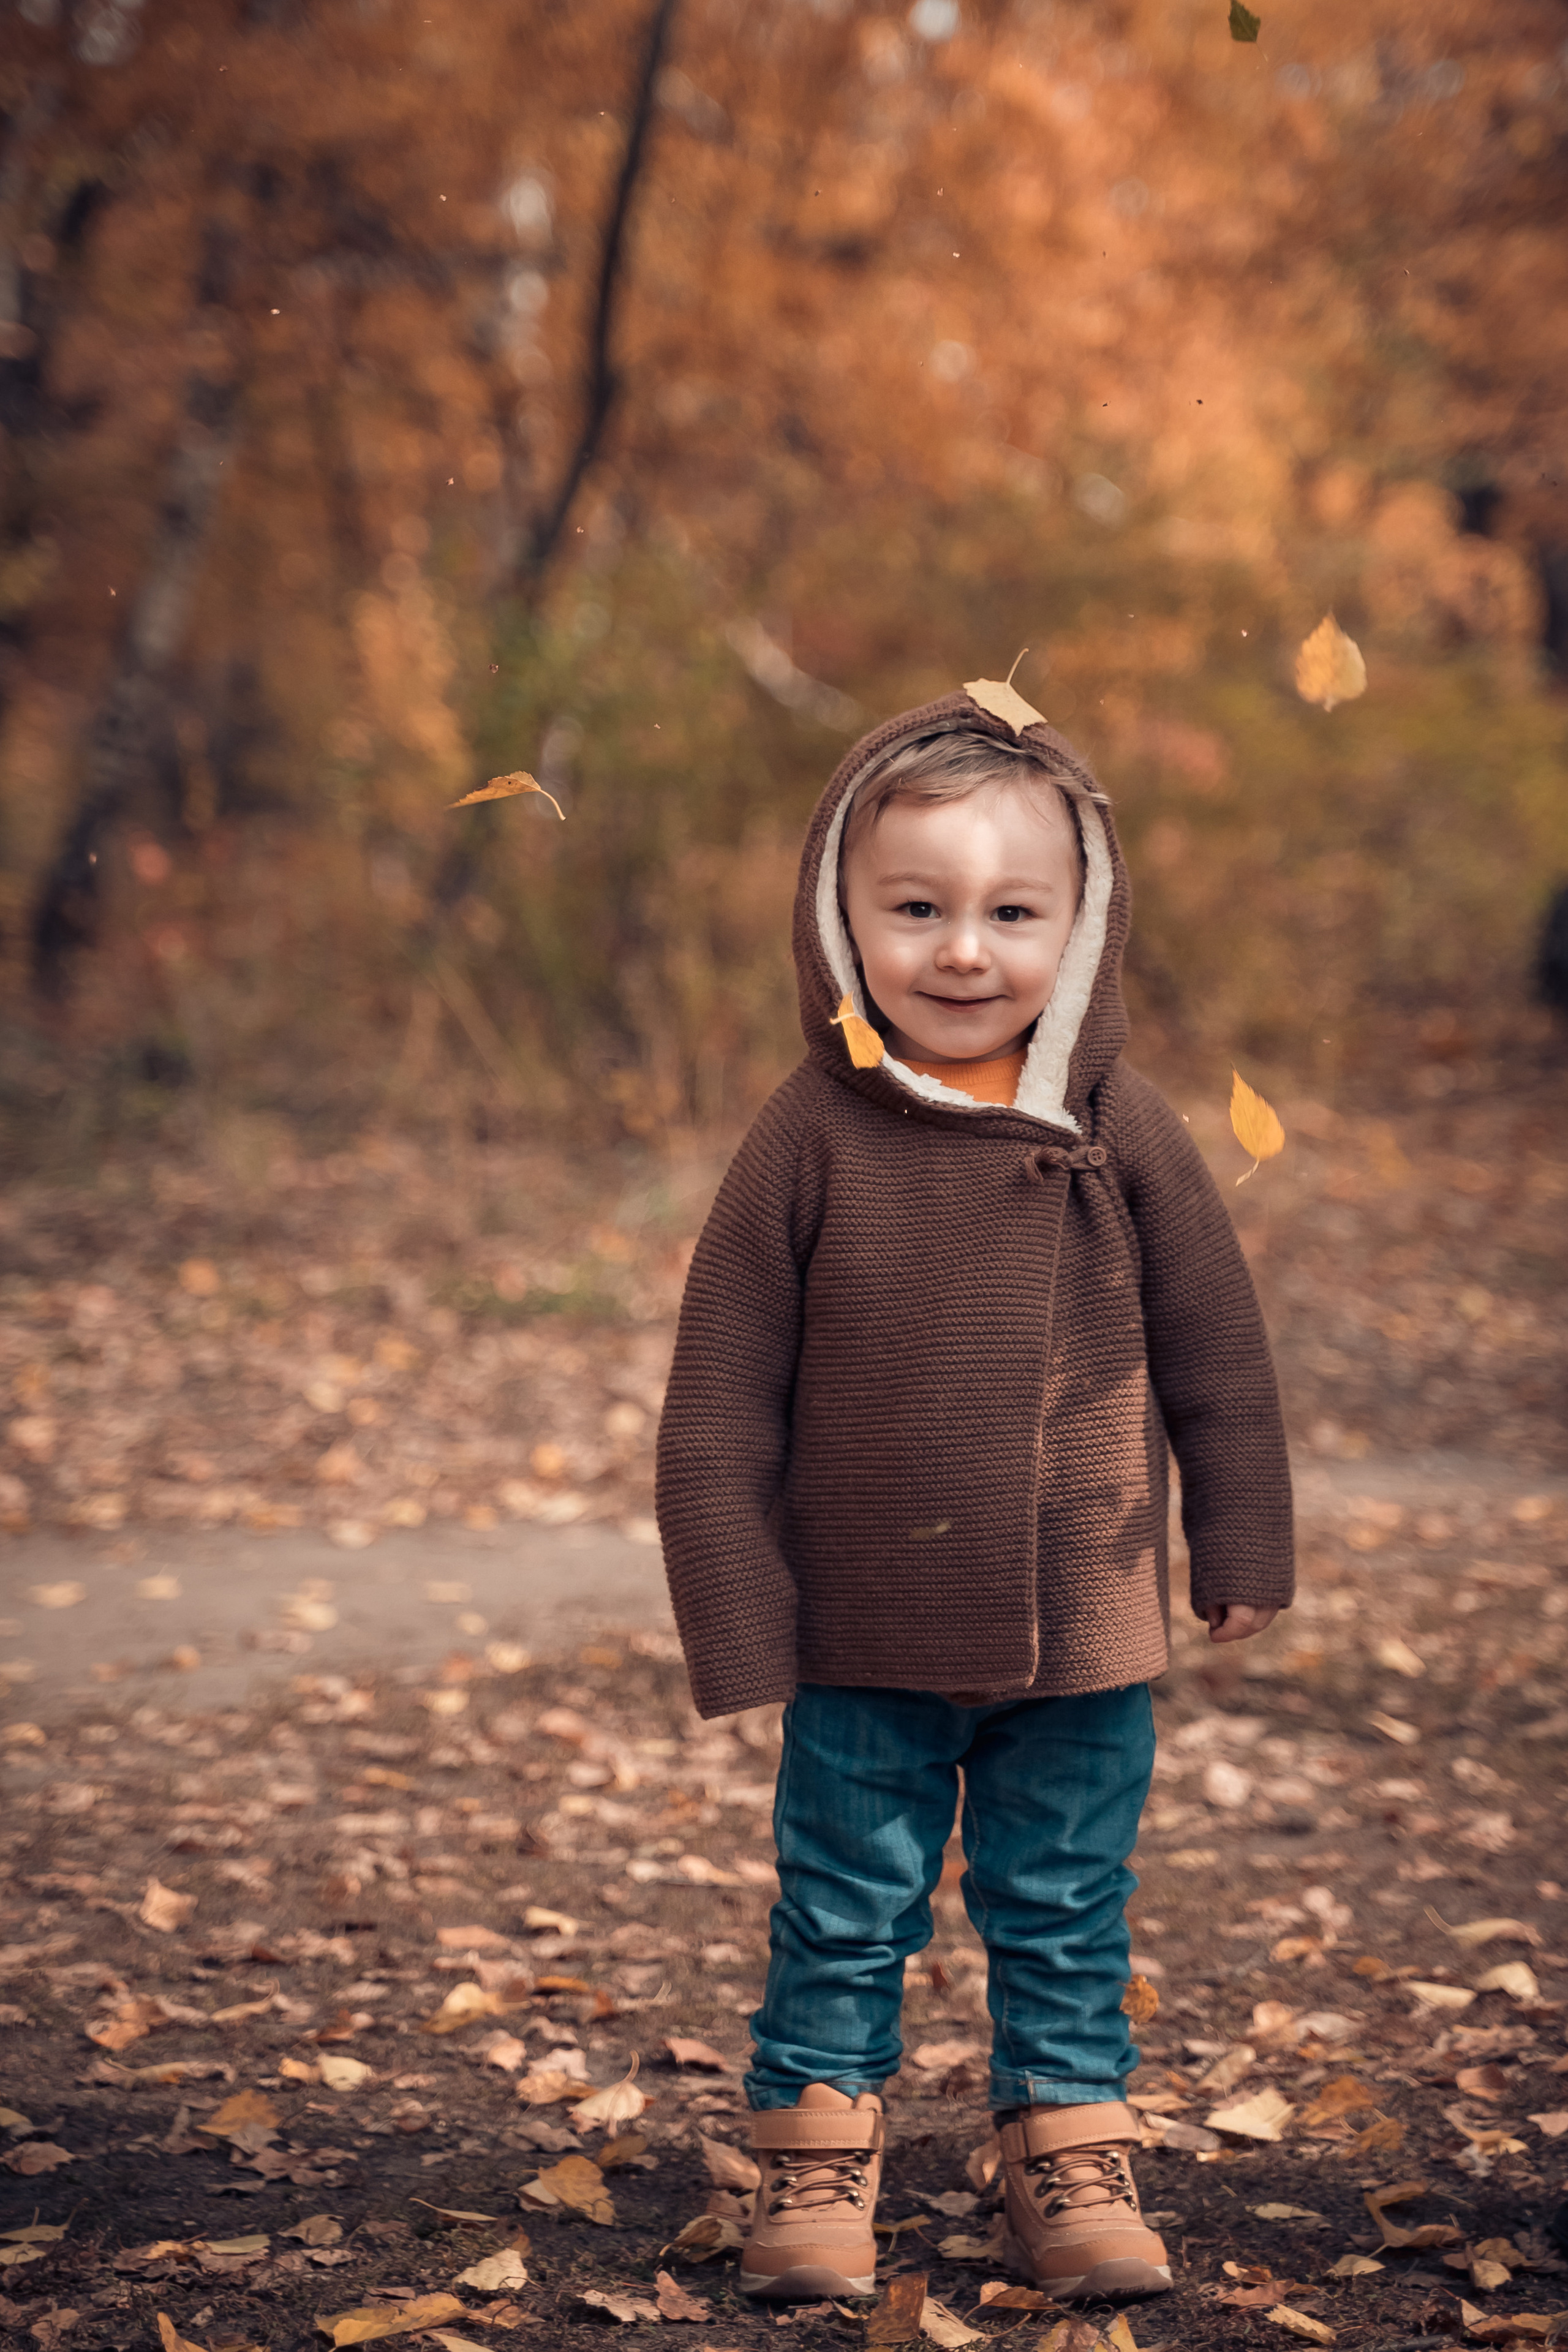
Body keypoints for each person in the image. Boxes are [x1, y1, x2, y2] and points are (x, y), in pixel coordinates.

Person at [655, 688, 1294, 2306]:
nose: (962, 950)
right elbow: (720, 1392)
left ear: (1080, 926)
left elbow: (1219, 1356)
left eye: (1013, 912)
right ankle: (815, 2148)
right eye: (916, 908)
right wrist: (741, 1616)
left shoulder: (1117, 1126)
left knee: (1065, 1894)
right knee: (846, 1895)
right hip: (862, 1615)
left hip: (1081, 1618)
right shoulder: (807, 1137)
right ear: (838, 921)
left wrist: (1241, 1535)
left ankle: (1064, 2142)